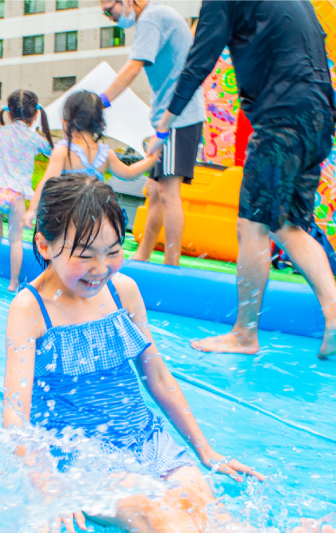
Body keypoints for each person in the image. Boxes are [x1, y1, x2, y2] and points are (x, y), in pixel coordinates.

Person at [4, 174, 264, 532]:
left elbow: (156, 377)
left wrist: (204, 449)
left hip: (145, 437)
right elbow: (15, 414)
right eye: (85, 256)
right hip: (80, 456)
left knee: (209, 510)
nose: (101, 269)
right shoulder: (29, 309)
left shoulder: (122, 291)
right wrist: (49, 488)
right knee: (161, 513)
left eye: (113, 252)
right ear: (45, 246)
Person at [148, 0, 336, 358]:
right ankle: (334, 310)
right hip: (319, 114)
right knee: (289, 225)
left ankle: (245, 334)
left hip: (281, 116)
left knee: (252, 225)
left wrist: (165, 120)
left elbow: (200, 59)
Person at [99, 0, 206, 266]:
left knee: (169, 192)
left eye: (109, 11)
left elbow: (133, 68)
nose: (111, 19)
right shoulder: (156, 15)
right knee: (155, 189)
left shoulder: (150, 17)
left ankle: (172, 264)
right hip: (169, 117)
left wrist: (99, 103)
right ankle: (143, 254)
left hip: (178, 119)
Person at [25, 90, 160, 227]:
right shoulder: (105, 153)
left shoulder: (63, 151)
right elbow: (129, 173)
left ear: (65, 123)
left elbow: (45, 183)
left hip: (68, 215)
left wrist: (32, 210)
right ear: (99, 123)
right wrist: (152, 159)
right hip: (96, 216)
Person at [0, 89, 54, 291]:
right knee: (15, 240)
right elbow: (54, 153)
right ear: (35, 116)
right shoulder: (34, 138)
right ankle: (13, 283)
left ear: (8, 113)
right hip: (15, 196)